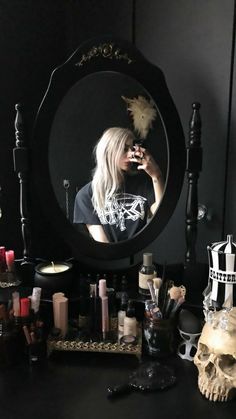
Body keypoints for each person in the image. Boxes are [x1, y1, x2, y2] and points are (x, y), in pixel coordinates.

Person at [73, 127, 164, 242]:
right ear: (108, 152)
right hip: (111, 258)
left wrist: (156, 176)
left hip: (142, 254)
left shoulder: (143, 184)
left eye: (132, 149)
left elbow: (161, 218)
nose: (131, 154)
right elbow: (103, 244)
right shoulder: (86, 196)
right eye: (124, 149)